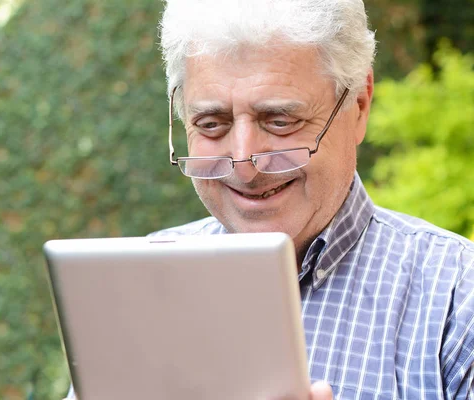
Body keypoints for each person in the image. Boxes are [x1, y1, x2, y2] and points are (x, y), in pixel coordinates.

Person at [66, 0, 474, 398]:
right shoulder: (134, 287)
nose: (245, 164)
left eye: (280, 121)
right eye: (211, 124)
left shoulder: (457, 296)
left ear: (359, 105)